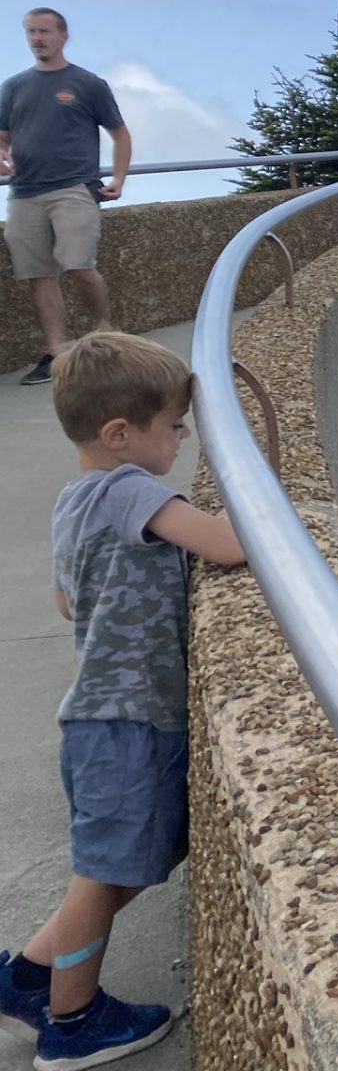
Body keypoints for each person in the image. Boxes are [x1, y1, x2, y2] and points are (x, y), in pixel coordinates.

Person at [0, 333, 246, 1066]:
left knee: (121, 864)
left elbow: (67, 602)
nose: (182, 440)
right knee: (104, 872)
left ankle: (28, 978)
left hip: (104, 718)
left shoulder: (76, 500)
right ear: (120, 434)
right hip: (128, 721)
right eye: (173, 427)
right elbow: (232, 545)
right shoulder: (131, 489)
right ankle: (73, 1024)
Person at [1, 10, 132, 387]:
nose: (37, 38)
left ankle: (104, 330)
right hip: (24, 192)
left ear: (63, 36)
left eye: (44, 31)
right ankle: (56, 351)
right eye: (31, 32)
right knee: (38, 275)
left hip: (74, 187)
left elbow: (120, 133)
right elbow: (2, 135)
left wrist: (119, 178)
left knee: (77, 264)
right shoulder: (13, 86)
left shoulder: (87, 83)